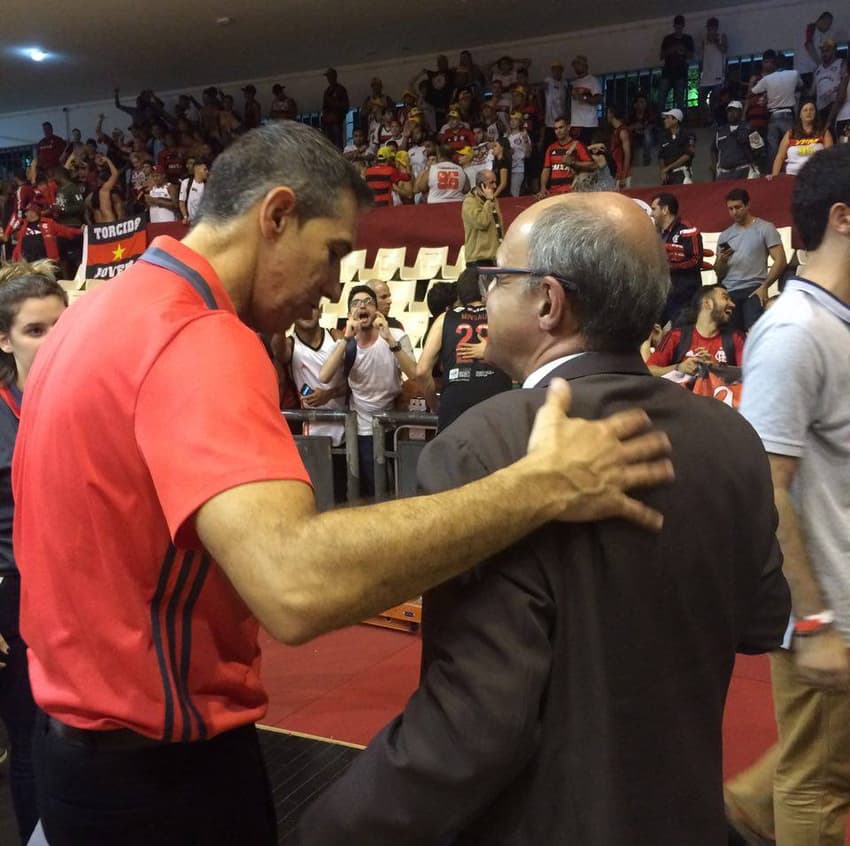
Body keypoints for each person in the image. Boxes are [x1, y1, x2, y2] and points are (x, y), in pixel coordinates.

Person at [13, 123, 673, 844]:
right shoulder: (196, 335)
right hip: (161, 781)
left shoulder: (90, 316)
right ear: (276, 215)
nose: (333, 286)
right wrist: (541, 485)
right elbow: (296, 586)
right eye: (331, 253)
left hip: (75, 755)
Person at [298, 191, 789, 846]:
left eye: (498, 278)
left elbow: (472, 729)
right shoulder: (730, 437)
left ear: (548, 303)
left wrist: (329, 829)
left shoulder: (482, 446)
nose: (485, 296)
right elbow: (760, 621)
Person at [725, 143, 850, 846]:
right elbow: (766, 490)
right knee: (819, 784)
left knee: (825, 764)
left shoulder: (832, 324)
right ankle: (749, 807)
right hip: (825, 606)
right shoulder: (795, 333)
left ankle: (745, 804)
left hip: (841, 597)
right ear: (843, 218)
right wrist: (813, 623)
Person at [0, 260, 67, 845]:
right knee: (28, 736)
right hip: (12, 596)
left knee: (78, 733)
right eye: (33, 331)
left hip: (78, 591)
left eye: (58, 329)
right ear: (4, 337)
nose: (49, 344)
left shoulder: (86, 405)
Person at [318, 284, 417, 497]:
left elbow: (416, 374)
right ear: (349, 314)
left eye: (368, 302)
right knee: (372, 491)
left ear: (377, 310)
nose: (362, 307)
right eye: (356, 304)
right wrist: (346, 338)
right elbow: (324, 376)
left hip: (393, 425)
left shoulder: (397, 335)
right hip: (363, 430)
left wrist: (390, 340)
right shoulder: (348, 344)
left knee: (397, 488)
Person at [416, 266, 512, 431]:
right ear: (488, 288)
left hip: (454, 405)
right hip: (496, 403)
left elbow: (421, 371)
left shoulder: (444, 319)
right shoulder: (504, 315)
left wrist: (435, 404)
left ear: (460, 294)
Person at [713, 187, 787, 332]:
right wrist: (722, 260)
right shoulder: (725, 235)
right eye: (730, 209)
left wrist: (765, 286)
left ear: (747, 205)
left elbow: (781, 260)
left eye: (738, 207)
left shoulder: (765, 228)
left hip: (754, 288)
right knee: (731, 336)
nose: (734, 212)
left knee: (756, 331)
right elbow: (719, 273)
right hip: (729, 290)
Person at [646, 284, 744, 376]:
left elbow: (748, 375)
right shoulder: (676, 336)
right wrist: (679, 368)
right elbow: (650, 369)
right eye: (725, 298)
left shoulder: (737, 338)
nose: (732, 304)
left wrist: (713, 368)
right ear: (707, 303)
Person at [650, 192, 704, 325]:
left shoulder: (687, 230)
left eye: (653, 209)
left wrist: (669, 266)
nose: (651, 214)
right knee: (653, 333)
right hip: (663, 296)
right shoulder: (657, 234)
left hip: (684, 297)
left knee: (681, 335)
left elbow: (696, 260)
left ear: (665, 210)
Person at [750, 50, 803, 170]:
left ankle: (774, 172)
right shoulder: (794, 74)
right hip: (788, 114)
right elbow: (801, 86)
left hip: (773, 115)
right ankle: (794, 169)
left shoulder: (767, 79)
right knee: (791, 144)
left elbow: (752, 92)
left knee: (773, 148)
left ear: (774, 64)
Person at [771, 98, 835, 176]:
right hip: (792, 177)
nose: (808, 112)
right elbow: (780, 157)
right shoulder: (791, 133)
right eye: (805, 110)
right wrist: (774, 177)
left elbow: (829, 157)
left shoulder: (824, 132)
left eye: (811, 110)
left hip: (817, 176)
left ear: (815, 113)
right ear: (800, 115)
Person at [538, 117, 595, 196]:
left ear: (568, 128)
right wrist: (543, 187)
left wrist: (573, 163)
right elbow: (546, 169)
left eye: (561, 127)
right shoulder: (551, 148)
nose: (558, 131)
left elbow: (592, 165)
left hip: (572, 192)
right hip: (553, 192)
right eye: (556, 128)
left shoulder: (578, 145)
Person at [462, 170, 504, 267]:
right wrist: (489, 201)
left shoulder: (493, 200)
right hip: (479, 259)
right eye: (491, 182)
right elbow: (481, 223)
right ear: (482, 185)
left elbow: (499, 226)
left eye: (495, 182)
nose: (495, 186)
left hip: (495, 257)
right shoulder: (469, 202)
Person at [658, 15, 695, 115]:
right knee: (661, 98)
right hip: (668, 71)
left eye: (680, 26)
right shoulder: (668, 39)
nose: (678, 28)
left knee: (680, 100)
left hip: (680, 72)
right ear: (674, 26)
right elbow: (661, 56)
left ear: (683, 26)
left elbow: (691, 55)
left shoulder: (687, 39)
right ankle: (660, 122)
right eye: (677, 26)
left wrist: (683, 51)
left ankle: (679, 122)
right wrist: (672, 49)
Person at [711, 101, 757, 179]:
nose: (731, 113)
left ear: (740, 112)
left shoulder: (749, 129)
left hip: (744, 171)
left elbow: (758, 149)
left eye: (734, 110)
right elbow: (714, 150)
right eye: (729, 111)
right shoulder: (721, 131)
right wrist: (714, 166)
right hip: (724, 173)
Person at [699, 17, 728, 124]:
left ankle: (715, 119)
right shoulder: (704, 38)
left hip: (717, 73)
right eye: (709, 28)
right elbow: (703, 53)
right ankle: (709, 117)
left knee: (715, 98)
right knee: (701, 98)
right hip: (706, 74)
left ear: (716, 28)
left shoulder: (721, 36)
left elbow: (725, 50)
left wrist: (716, 42)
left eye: (712, 28)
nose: (710, 30)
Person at [658, 108, 695, 184]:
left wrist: (667, 168)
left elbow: (688, 155)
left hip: (682, 173)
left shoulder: (688, 134)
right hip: (667, 176)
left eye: (668, 118)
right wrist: (663, 171)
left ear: (675, 120)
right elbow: (661, 156)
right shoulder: (664, 136)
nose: (665, 120)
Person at [178, 159, 210, 226]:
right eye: (205, 169)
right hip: (190, 223)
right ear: (197, 169)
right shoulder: (186, 183)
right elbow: (182, 202)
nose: (207, 172)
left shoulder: (208, 185)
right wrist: (185, 217)